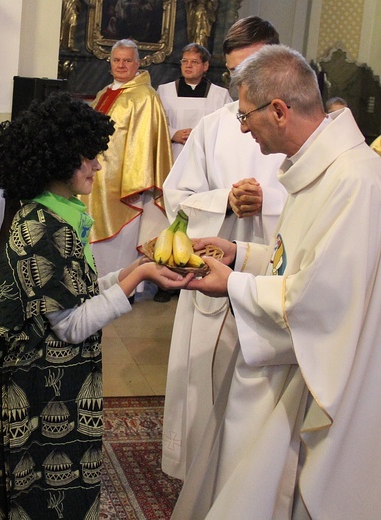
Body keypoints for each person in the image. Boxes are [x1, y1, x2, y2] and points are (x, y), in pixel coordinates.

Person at [0, 92, 190, 519]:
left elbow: (71, 289)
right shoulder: (45, 228)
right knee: (42, 496)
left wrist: (126, 273)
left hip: (48, 383)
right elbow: (70, 324)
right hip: (38, 392)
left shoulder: (53, 215)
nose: (98, 166)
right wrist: (136, 281)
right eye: (89, 157)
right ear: (57, 159)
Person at [172, 44, 381, 519]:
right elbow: (299, 263)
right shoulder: (322, 170)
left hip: (319, 378)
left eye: (246, 118)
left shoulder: (354, 181)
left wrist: (233, 285)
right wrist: (241, 255)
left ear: (280, 111)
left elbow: (320, 303)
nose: (245, 131)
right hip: (293, 359)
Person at [161, 16, 288, 480]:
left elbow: (313, 203)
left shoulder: (298, 125)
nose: (242, 88)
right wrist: (226, 201)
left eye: (251, 70)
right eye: (235, 75)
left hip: (274, 278)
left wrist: (268, 201)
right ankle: (198, 475)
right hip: (216, 271)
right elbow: (177, 197)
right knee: (206, 387)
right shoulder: (214, 127)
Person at [79, 39, 172, 298]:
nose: (121, 65)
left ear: (138, 63)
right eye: (116, 60)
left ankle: (123, 289)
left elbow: (144, 145)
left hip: (125, 185)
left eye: (127, 60)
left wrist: (134, 182)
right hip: (95, 178)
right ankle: (96, 286)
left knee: (120, 239)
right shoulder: (104, 92)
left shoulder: (145, 97)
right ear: (109, 64)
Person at [157, 43, 232, 161]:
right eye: (185, 61)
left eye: (194, 62)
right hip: (173, 154)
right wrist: (173, 134)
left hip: (205, 154)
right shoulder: (164, 91)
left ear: (205, 66)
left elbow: (229, 125)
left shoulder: (220, 94)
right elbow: (155, 122)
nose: (188, 65)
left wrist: (202, 135)